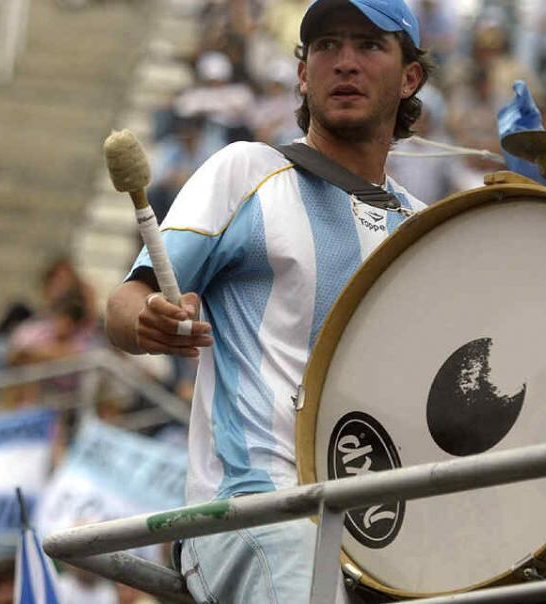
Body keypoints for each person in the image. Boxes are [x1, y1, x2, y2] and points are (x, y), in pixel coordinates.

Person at [104, 0, 433, 601]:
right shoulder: (246, 171)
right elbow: (128, 302)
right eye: (327, 46)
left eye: (368, 45)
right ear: (303, 74)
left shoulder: (425, 229)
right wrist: (147, 321)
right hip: (256, 511)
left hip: (388, 535)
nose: (345, 63)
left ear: (410, 76)